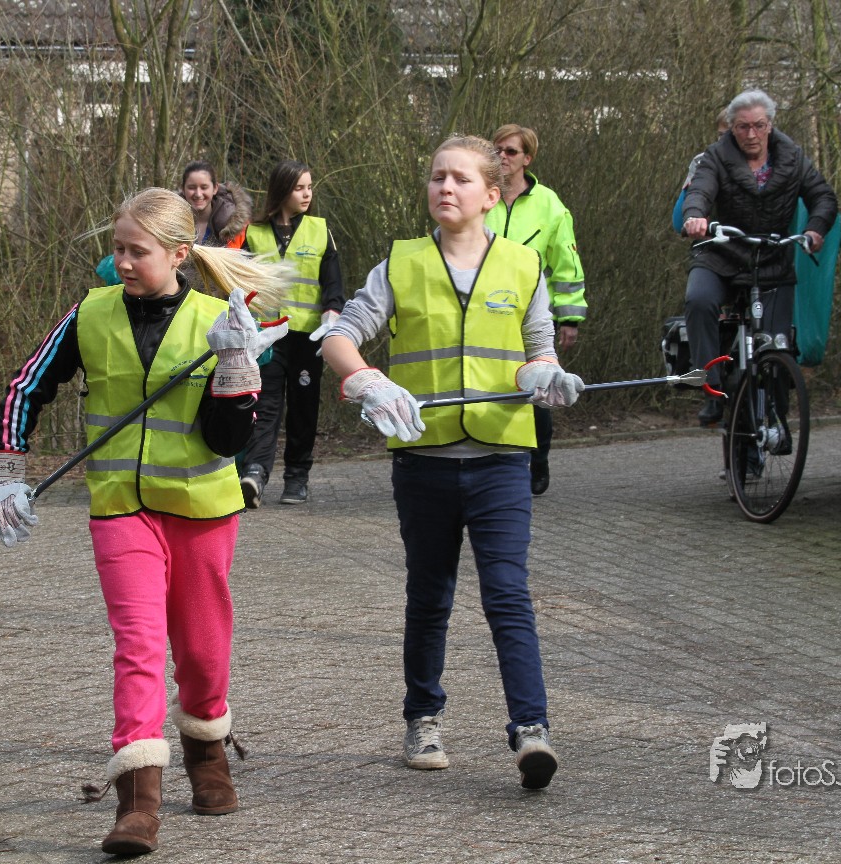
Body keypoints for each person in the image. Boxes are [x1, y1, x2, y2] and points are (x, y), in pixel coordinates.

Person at [0, 188, 290, 856]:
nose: (121, 262)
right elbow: (26, 386)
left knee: (202, 650)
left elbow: (229, 439)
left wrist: (237, 368)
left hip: (203, 512)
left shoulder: (219, 320)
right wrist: (4, 468)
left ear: (178, 253)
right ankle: (138, 804)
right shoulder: (89, 314)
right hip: (121, 507)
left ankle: (207, 754)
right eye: (116, 249)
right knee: (139, 644)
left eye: (136, 251)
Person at [322, 134, 585, 790]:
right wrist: (366, 380)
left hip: (501, 458)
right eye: (438, 176)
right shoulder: (400, 264)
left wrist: (544, 376)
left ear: (492, 194)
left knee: (508, 593)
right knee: (430, 593)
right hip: (425, 461)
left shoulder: (524, 265)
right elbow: (339, 337)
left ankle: (531, 729)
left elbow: (539, 348)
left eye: (461, 178)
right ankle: (422, 718)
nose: (445, 186)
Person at [681, 89, 838, 426]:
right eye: (743, 127)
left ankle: (777, 419)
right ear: (732, 128)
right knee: (698, 300)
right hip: (721, 256)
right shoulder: (715, 157)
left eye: (758, 125)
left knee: (777, 345)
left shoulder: (793, 158)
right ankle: (710, 387)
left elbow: (822, 196)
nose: (751, 134)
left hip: (772, 261)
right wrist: (696, 217)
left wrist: (815, 230)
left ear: (770, 125)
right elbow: (700, 191)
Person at [484, 124, 586, 496]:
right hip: (482, 309)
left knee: (538, 388)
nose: (502, 156)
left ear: (527, 158)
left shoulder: (549, 204)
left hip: (531, 310)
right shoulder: (480, 195)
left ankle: (538, 458)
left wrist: (569, 317)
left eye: (511, 151)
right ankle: (492, 461)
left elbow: (566, 265)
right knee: (488, 384)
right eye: (496, 149)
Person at [239, 159, 345, 507]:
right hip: (267, 337)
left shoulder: (320, 229)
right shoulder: (253, 233)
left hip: (307, 337)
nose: (307, 194)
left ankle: (297, 477)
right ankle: (255, 472)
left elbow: (333, 282)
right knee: (265, 406)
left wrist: (333, 313)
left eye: (309, 187)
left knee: (303, 409)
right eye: (300, 188)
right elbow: (241, 283)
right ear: (282, 190)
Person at [94, 160, 251, 284]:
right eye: (192, 187)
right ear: (183, 188)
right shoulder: (161, 217)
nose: (198, 194)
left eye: (204, 187)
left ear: (215, 188)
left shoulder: (235, 225)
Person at [671, 108, 731, 233]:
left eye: (730, 135)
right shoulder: (702, 161)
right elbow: (679, 222)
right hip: (715, 240)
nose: (723, 141)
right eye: (721, 135)